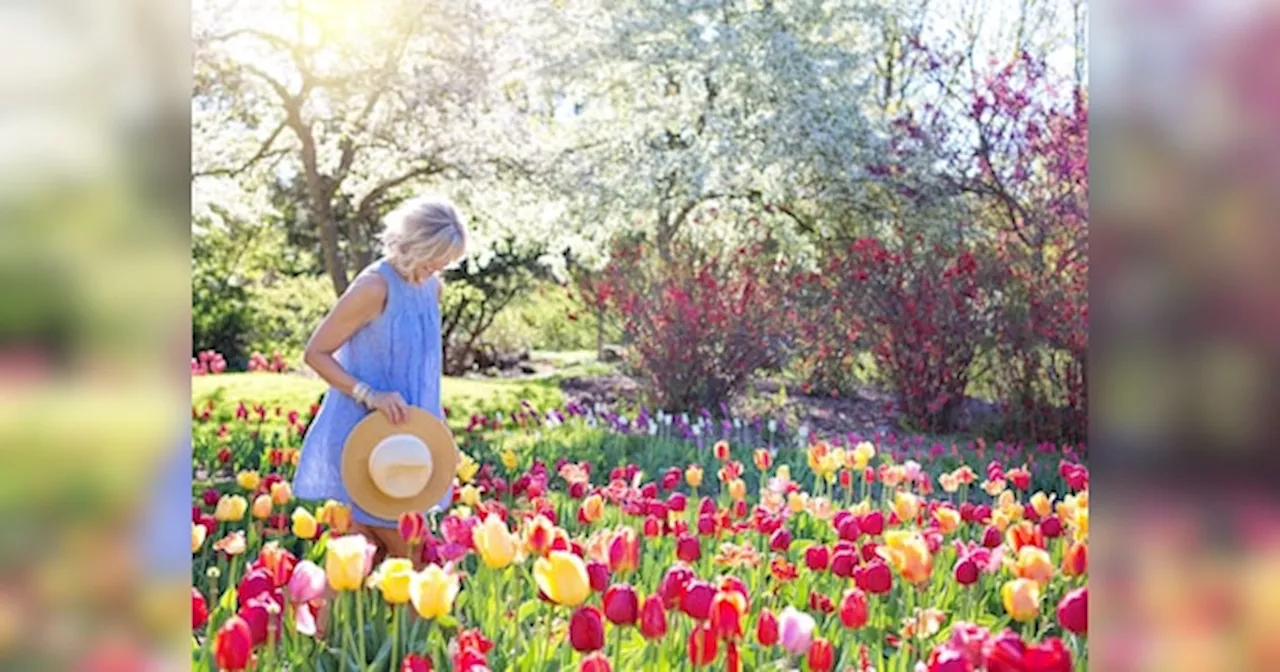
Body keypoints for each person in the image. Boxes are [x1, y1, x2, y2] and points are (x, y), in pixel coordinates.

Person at [293, 194, 467, 564]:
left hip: (410, 441)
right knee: (413, 562)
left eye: (443, 264)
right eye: (431, 260)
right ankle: (304, 619)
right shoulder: (374, 287)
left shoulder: (431, 288)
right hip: (369, 439)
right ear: (411, 245)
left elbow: (421, 368)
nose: (435, 270)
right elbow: (316, 353)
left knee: (372, 563)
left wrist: (434, 423)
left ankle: (319, 621)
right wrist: (369, 394)